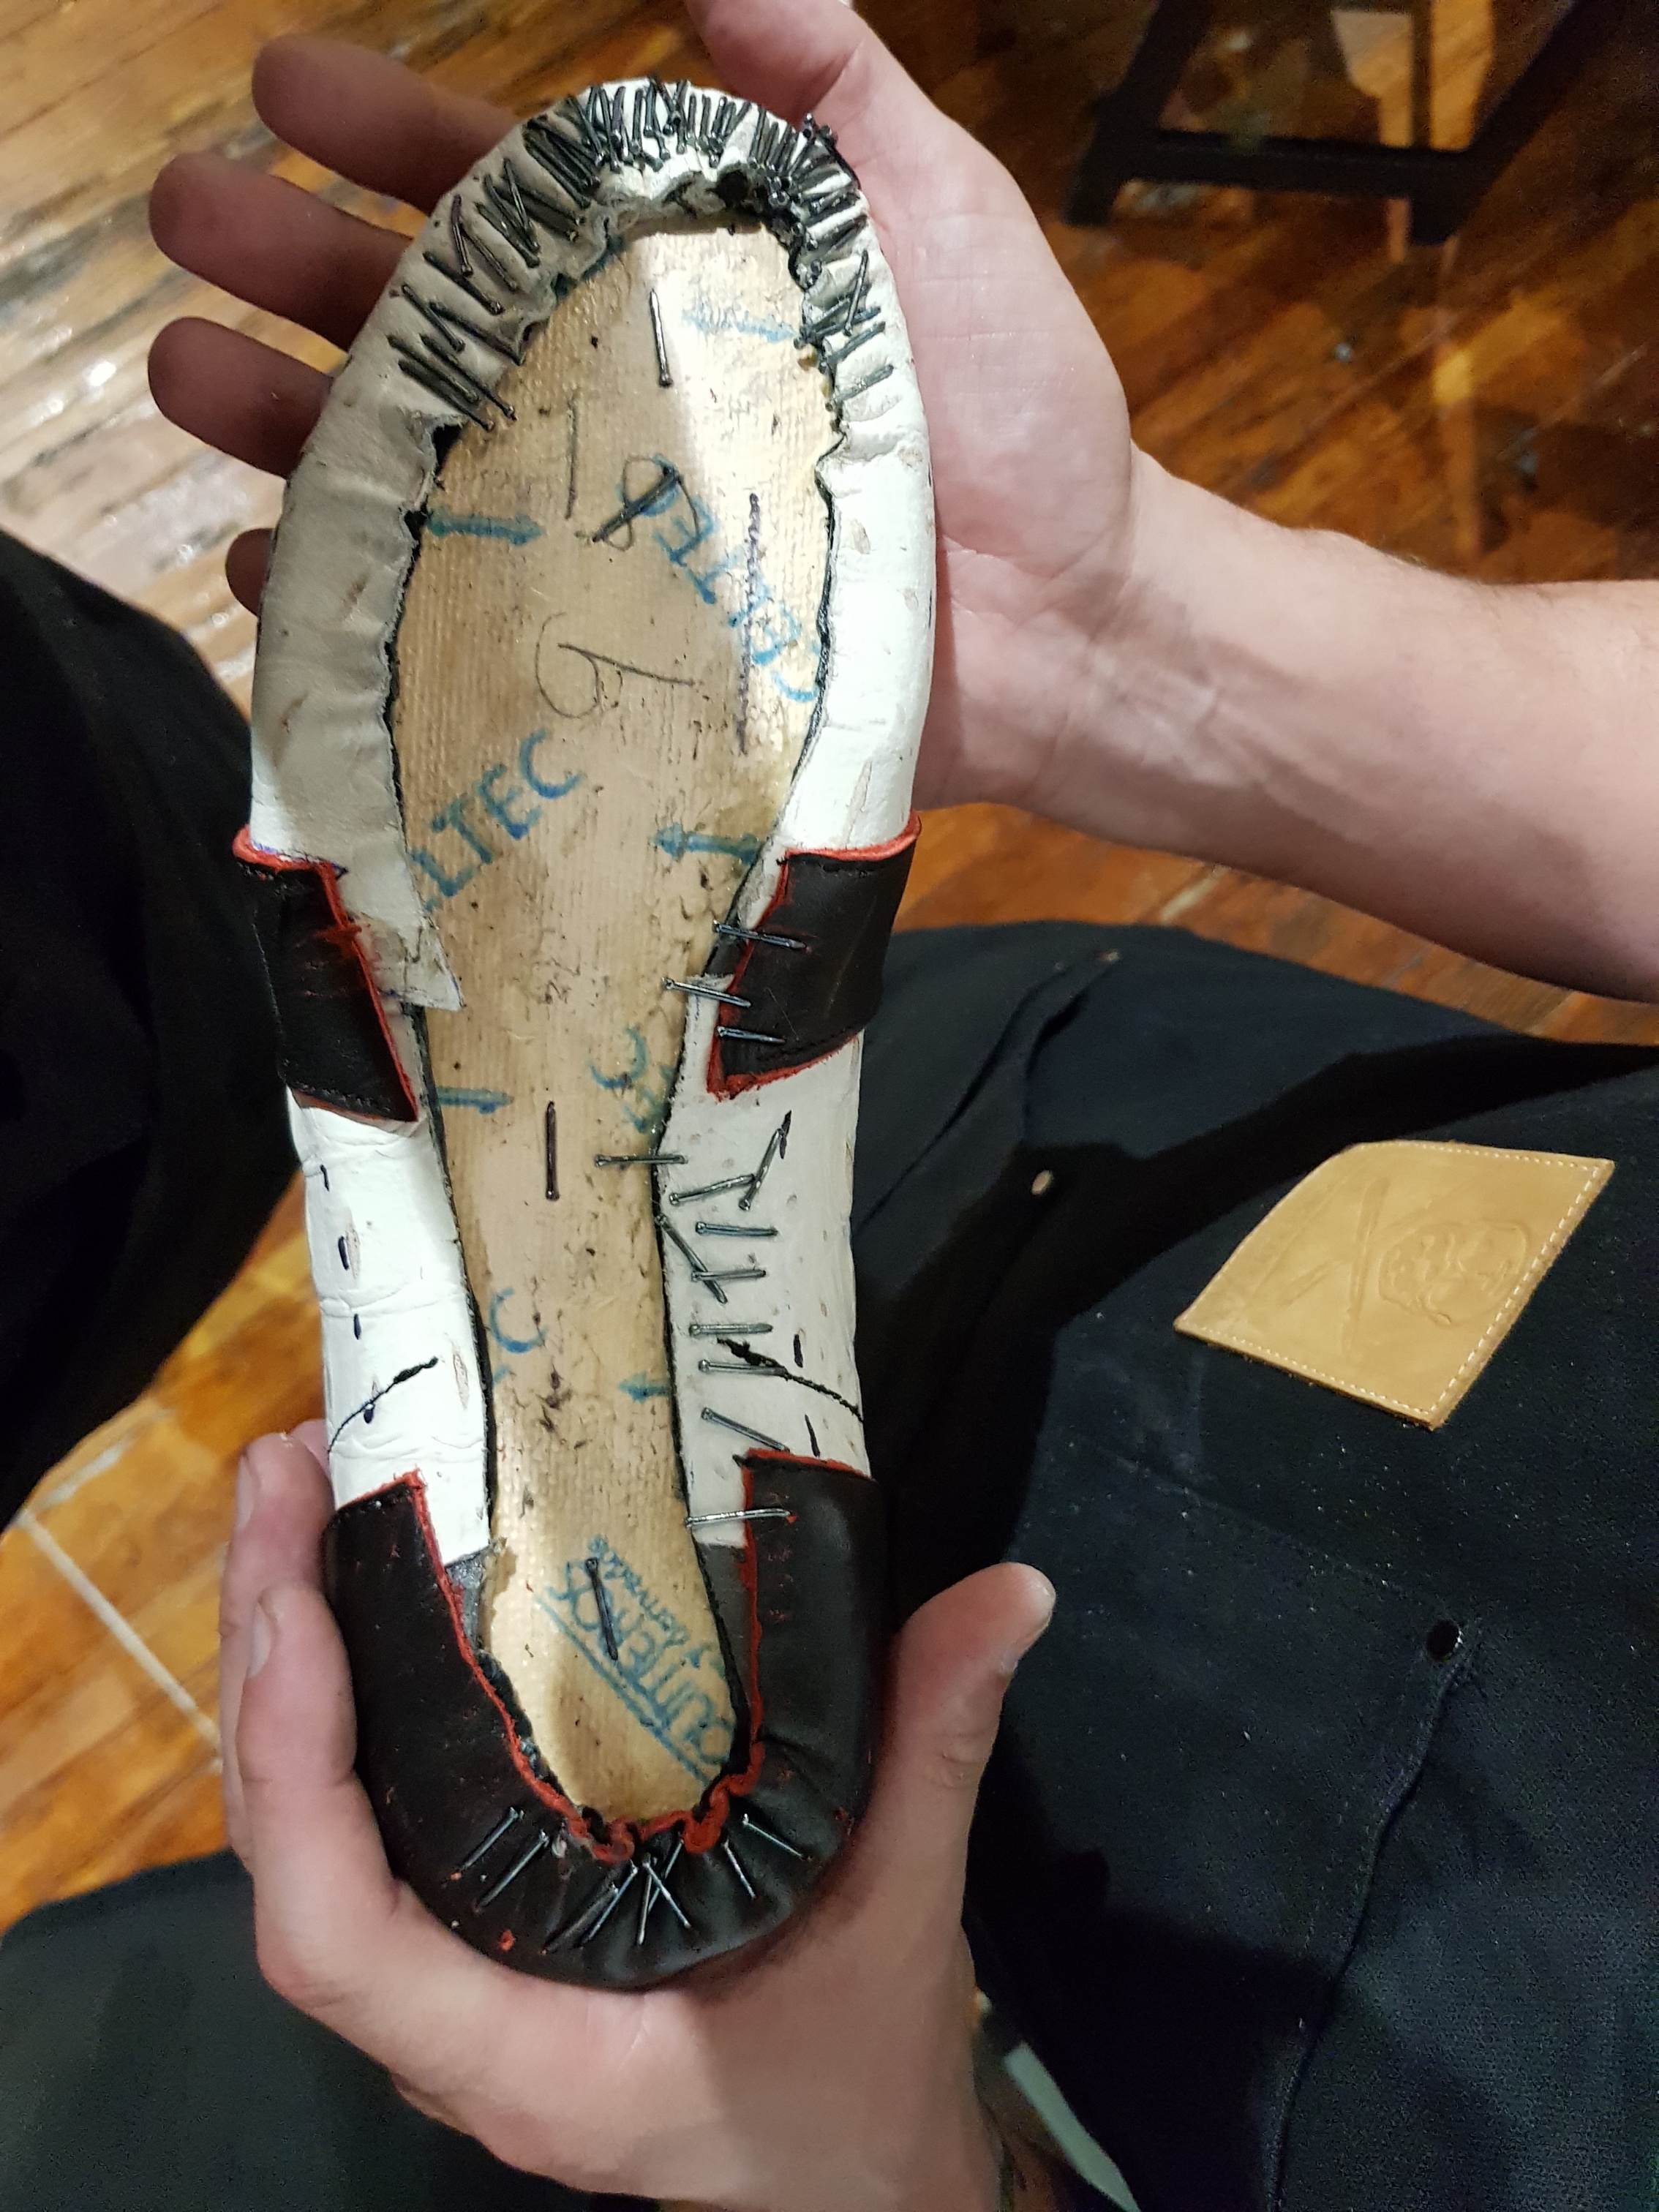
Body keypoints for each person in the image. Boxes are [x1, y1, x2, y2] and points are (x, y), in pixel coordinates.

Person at [1, 4, 1654, 2208]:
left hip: (1088, 1918)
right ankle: (577, 1302)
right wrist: (1140, 638)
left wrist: (899, 2172)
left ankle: (537, 1323)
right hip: (1126, 1150)